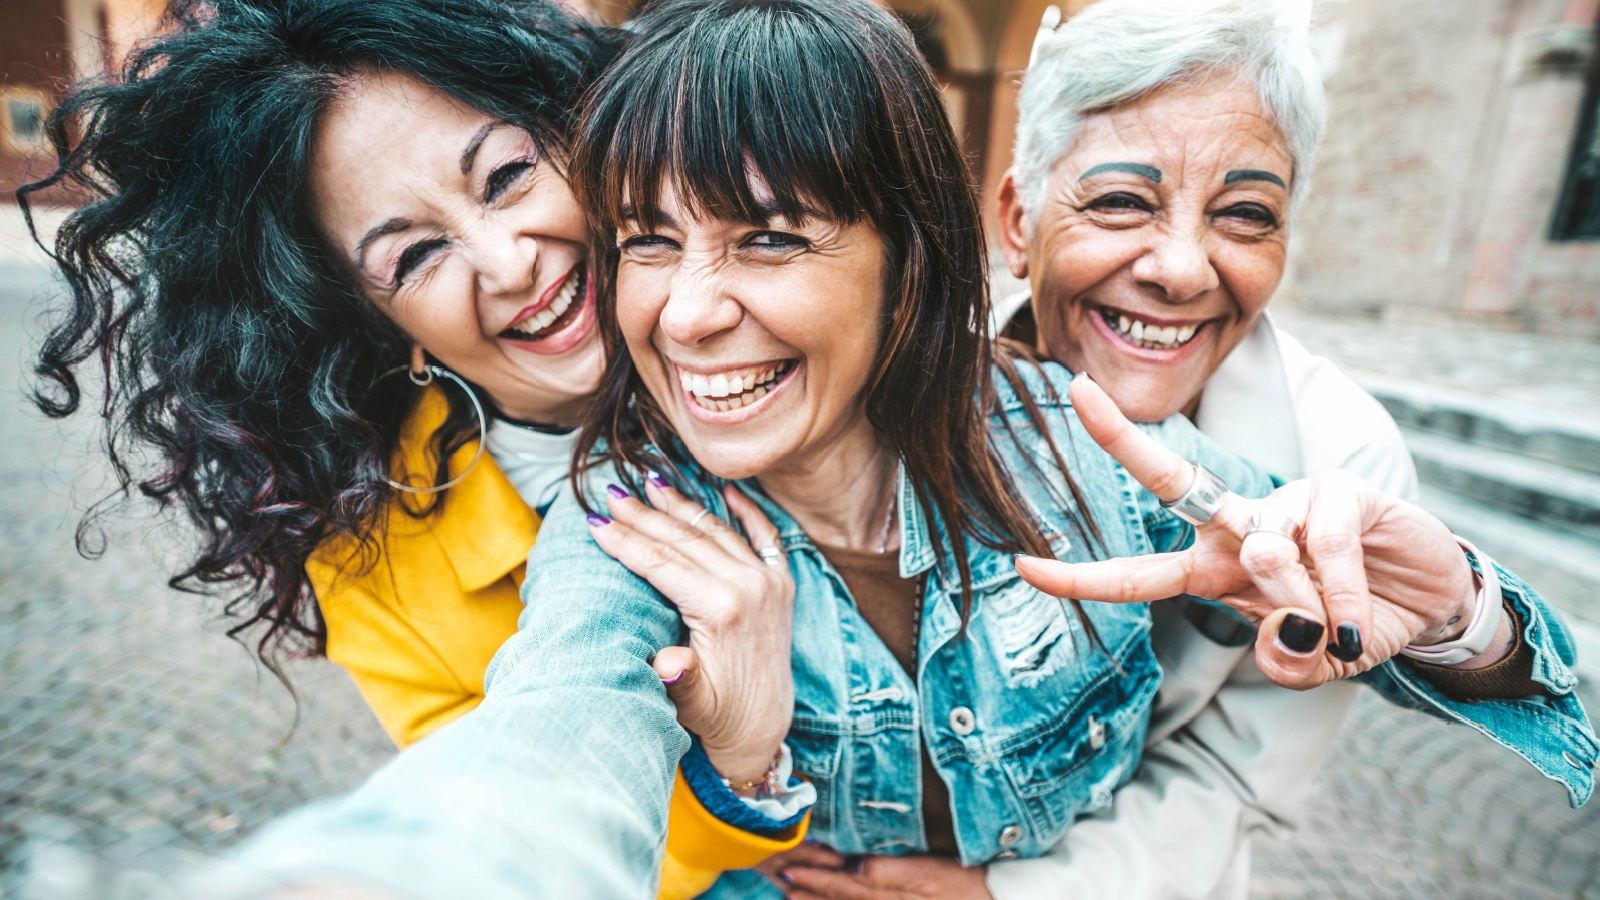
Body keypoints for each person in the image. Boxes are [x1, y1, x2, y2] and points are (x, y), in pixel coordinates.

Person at [174, 2, 1594, 898]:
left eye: (772, 236)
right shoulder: (629, 528)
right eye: (652, 240)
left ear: (918, 262)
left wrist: (1453, 612)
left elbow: (1377, 694)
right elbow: (550, 739)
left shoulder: (1109, 446)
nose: (688, 304)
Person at [19, 0, 803, 894]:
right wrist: (739, 767)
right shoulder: (371, 566)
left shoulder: (796, 324)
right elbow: (504, 823)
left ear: (578, 128)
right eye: (416, 255)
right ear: (373, 318)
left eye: (506, 176)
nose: (509, 264)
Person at [778, 0, 1425, 895]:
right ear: (1016, 221)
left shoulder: (1342, 464)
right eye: (1123, 201)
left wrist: (1000, 894)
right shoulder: (884, 398)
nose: (1181, 268)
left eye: (1244, 215)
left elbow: (1241, 775)